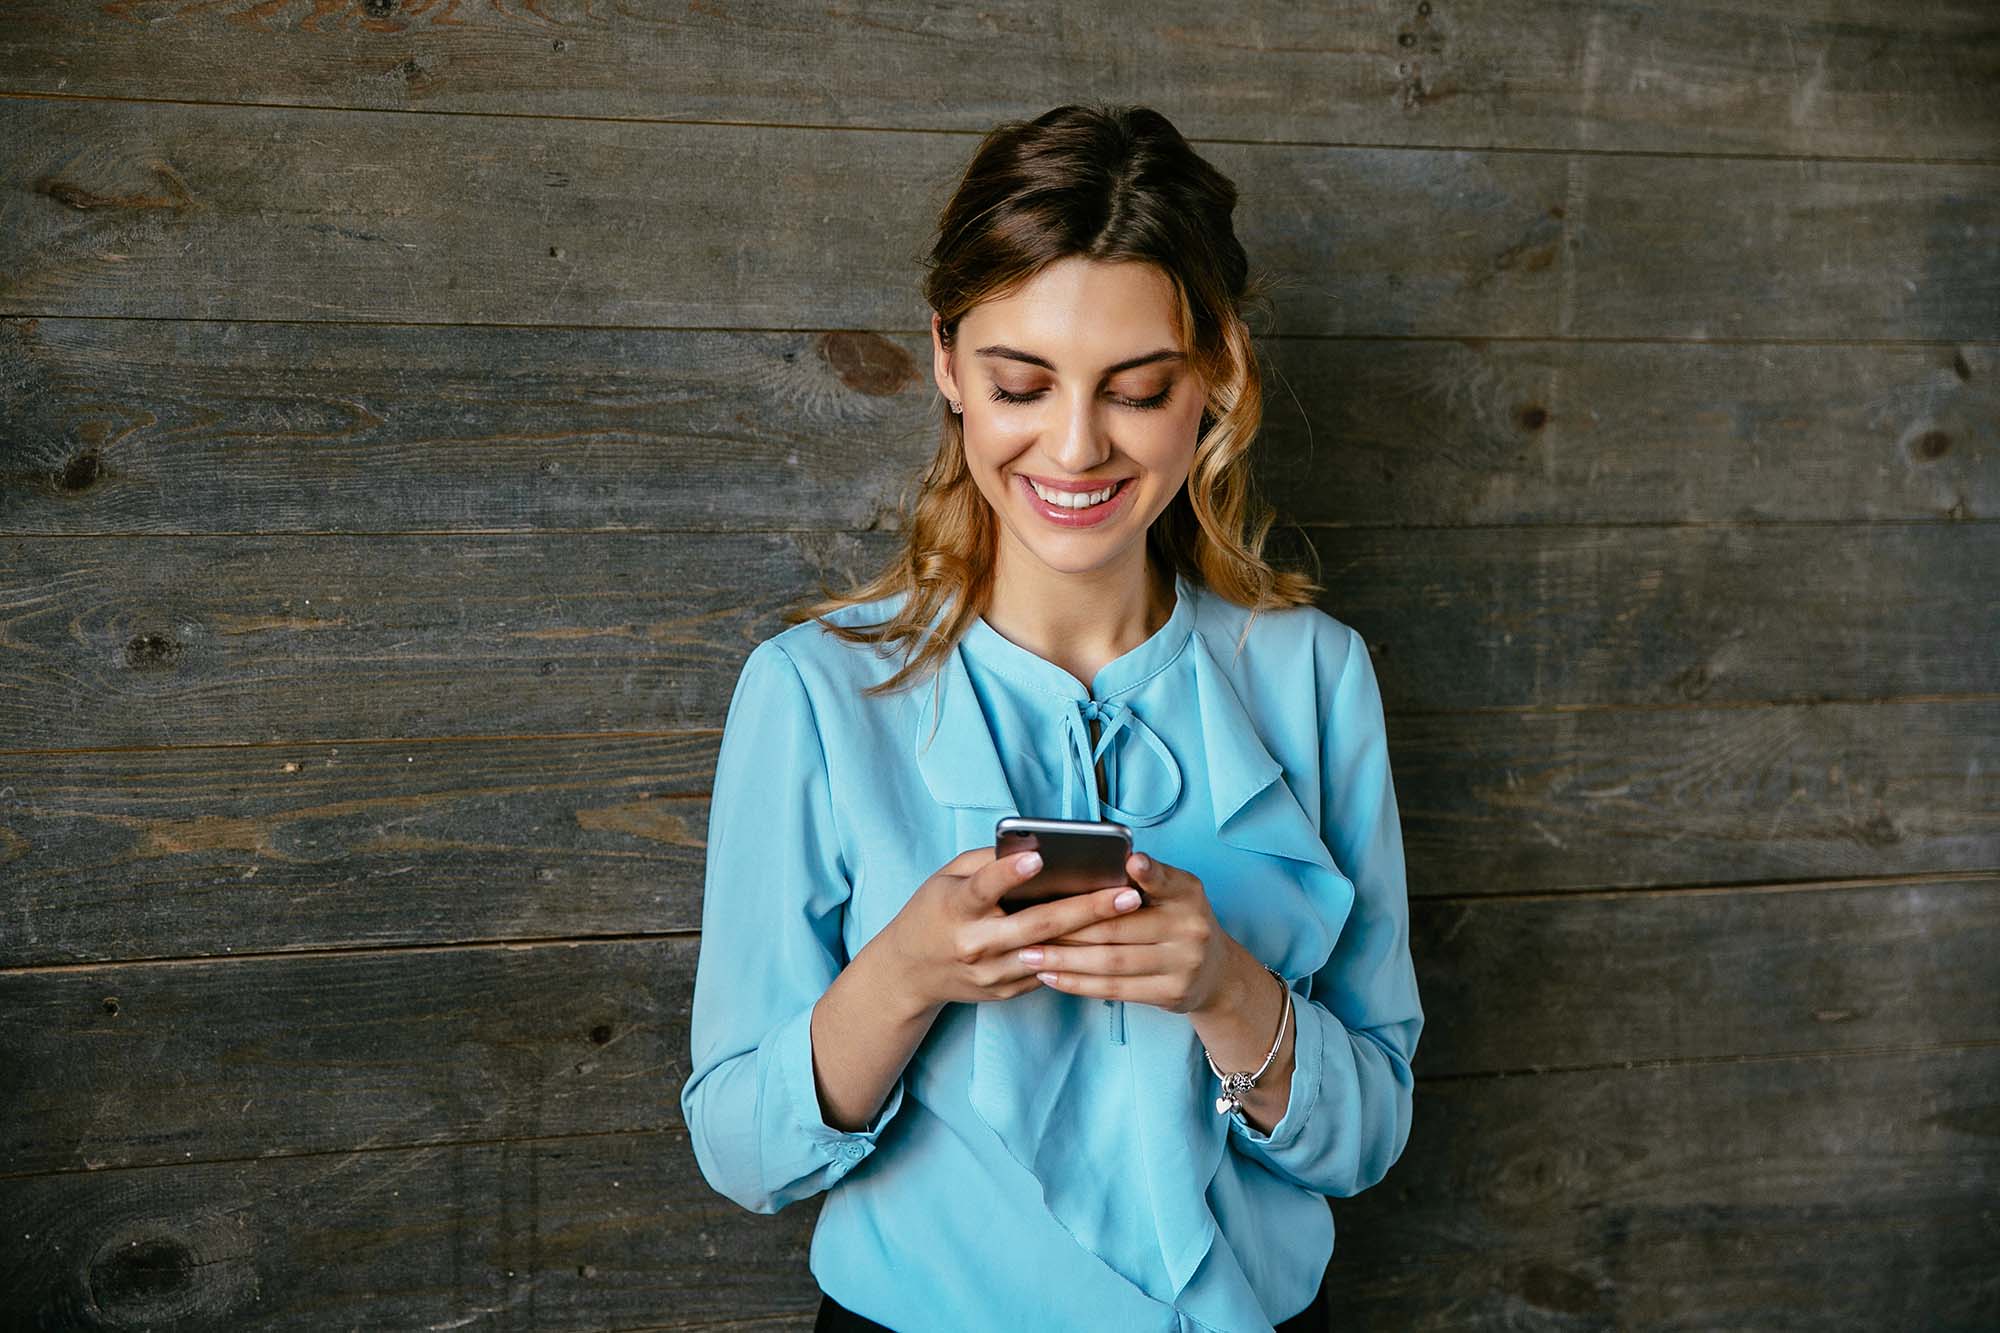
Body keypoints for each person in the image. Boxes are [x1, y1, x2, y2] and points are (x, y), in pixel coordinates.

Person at [678, 103, 1424, 1333]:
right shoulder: (814, 695)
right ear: (944, 363)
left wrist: (1229, 990)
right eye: (1019, 383)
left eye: (1135, 391)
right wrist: (907, 973)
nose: (1072, 448)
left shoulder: (1315, 679)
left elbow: (1369, 1135)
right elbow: (742, 1155)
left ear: (1216, 374)